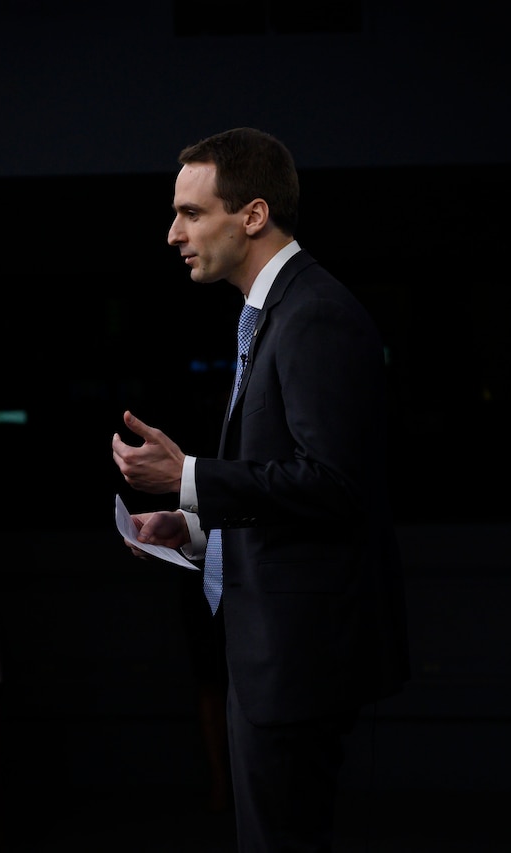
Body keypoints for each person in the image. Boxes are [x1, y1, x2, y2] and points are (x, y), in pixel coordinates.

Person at [111, 127, 410, 852]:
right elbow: (290, 488)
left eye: (191, 212)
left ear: (251, 215)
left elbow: (335, 486)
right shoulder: (272, 314)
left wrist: (185, 477)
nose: (173, 231)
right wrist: (193, 525)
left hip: (299, 664)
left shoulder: (315, 316)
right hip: (272, 654)